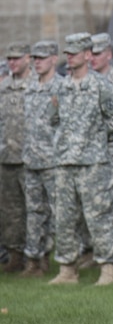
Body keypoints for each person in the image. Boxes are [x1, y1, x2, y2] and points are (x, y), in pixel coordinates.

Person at [49, 32, 113, 287]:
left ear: (87, 55)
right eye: (67, 52)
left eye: (74, 52)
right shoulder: (60, 85)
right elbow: (53, 118)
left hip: (93, 162)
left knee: (98, 215)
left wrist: (95, 135)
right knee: (64, 217)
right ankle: (67, 270)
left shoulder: (100, 85)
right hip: (64, 162)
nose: (69, 56)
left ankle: (107, 269)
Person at [21, 40, 62, 276]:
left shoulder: (62, 87)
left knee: (59, 213)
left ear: (54, 59)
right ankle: (34, 260)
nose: (37, 62)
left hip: (53, 161)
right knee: (34, 213)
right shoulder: (29, 87)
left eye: (42, 57)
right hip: (31, 160)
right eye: (35, 58)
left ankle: (66, 261)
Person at [0, 42, 33, 272]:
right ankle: (14, 255)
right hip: (7, 158)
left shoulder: (36, 85)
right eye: (9, 59)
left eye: (17, 58)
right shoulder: (4, 88)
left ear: (28, 58)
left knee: (35, 210)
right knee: (10, 212)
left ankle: (35, 257)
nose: (12, 62)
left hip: (31, 158)